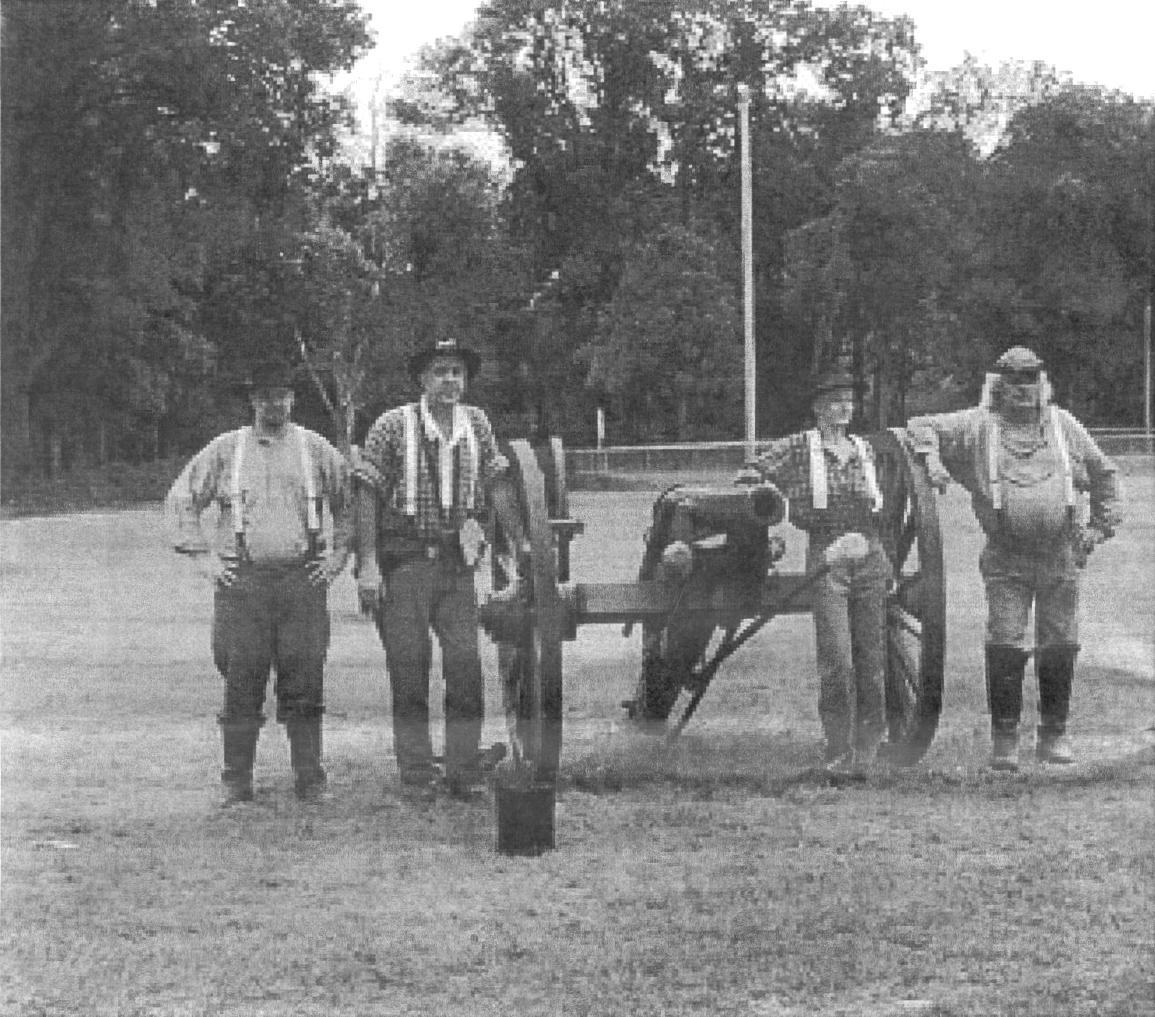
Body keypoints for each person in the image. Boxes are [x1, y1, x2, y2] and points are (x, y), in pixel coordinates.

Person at [905, 346, 1121, 770]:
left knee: (1060, 640)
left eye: (1031, 382)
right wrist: (932, 462)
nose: (1023, 392)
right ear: (997, 387)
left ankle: (1054, 735)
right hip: (1007, 559)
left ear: (1042, 385)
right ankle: (1005, 739)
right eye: (1014, 384)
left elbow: (1105, 474)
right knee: (1005, 638)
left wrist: (1098, 528)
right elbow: (919, 425)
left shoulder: (1064, 426)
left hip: (1061, 555)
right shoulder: (978, 426)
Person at [167, 357, 352, 804]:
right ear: (253, 401)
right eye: (266, 396)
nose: (276, 404)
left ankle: (310, 778)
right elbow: (181, 498)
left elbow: (349, 504)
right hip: (243, 585)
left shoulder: (315, 448)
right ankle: (237, 781)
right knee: (241, 680)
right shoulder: (228, 449)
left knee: (305, 680)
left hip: (301, 582)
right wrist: (203, 556)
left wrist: (339, 555)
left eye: (283, 395)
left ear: (293, 399)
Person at [354, 337, 521, 799]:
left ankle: (464, 771)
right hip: (405, 563)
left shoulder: (478, 424)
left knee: (465, 668)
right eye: (440, 371)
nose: (450, 380)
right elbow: (365, 494)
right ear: (422, 379)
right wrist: (368, 565)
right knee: (410, 670)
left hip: (456, 567)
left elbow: (497, 485)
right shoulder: (392, 426)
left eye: (457, 373)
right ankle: (417, 774)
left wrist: (518, 546)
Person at [741, 358, 891, 775]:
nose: (844, 409)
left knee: (871, 656)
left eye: (849, 401)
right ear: (818, 408)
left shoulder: (864, 450)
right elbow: (752, 473)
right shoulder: (798, 448)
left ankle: (869, 746)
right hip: (827, 558)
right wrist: (768, 497)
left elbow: (881, 509)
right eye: (835, 401)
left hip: (868, 552)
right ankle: (838, 744)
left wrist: (883, 557)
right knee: (838, 657)